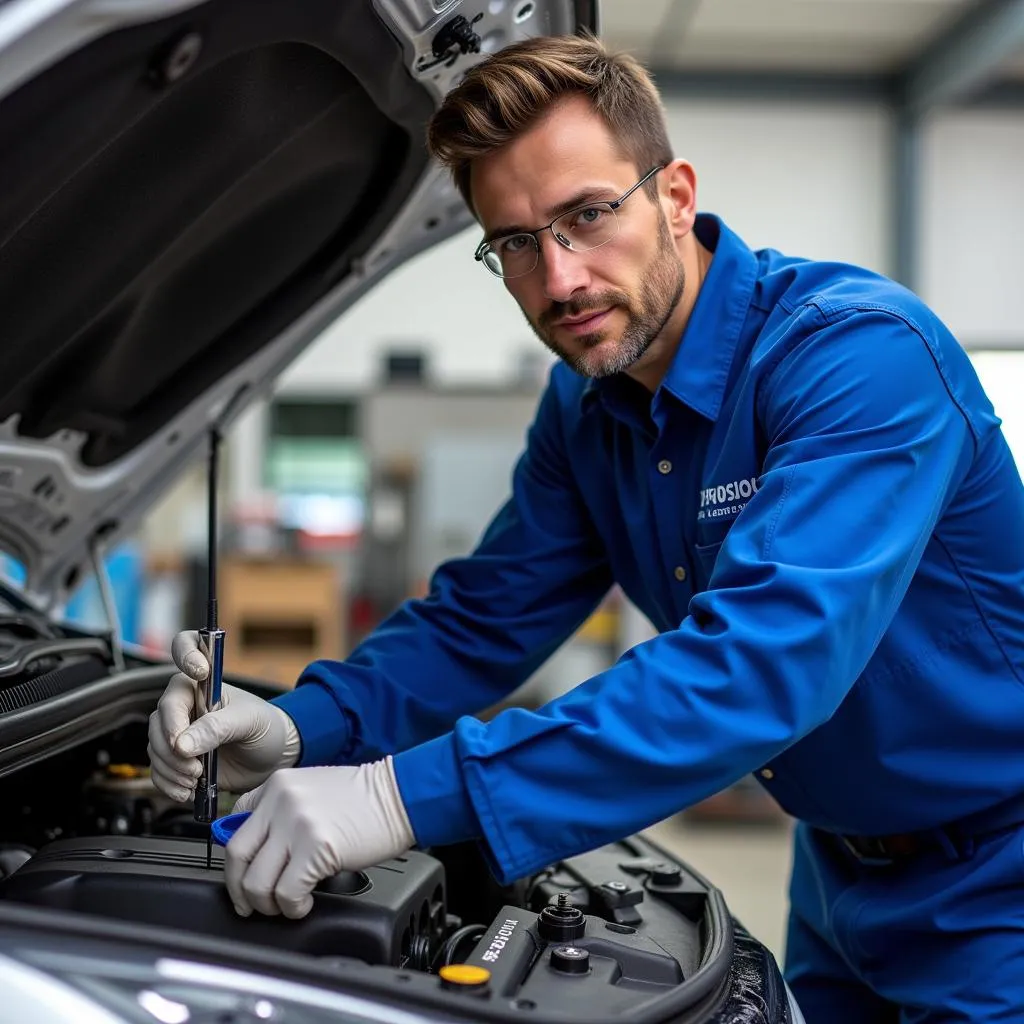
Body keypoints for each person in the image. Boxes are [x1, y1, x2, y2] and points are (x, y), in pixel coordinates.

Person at [148, 34, 1024, 1022]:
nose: (558, 279)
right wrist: (304, 725)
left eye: (587, 216)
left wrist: (396, 798)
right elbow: (482, 620)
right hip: (836, 872)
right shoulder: (586, 410)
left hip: (1001, 873)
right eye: (516, 243)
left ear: (676, 196)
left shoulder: (858, 357)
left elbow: (757, 670)